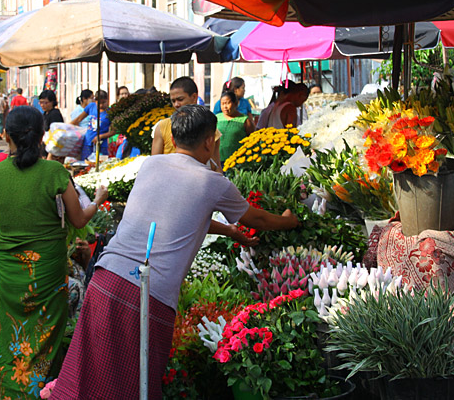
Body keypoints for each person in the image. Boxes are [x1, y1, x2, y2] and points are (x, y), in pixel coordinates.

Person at [50, 105, 299, 399]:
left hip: (106, 277)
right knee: (135, 380)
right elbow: (255, 219)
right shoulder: (213, 182)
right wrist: (288, 221)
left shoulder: (151, 165)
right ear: (209, 140)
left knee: (88, 373)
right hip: (145, 292)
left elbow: (177, 216)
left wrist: (228, 231)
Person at [0, 106, 108, 399]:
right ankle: (47, 391)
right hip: (47, 269)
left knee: (11, 334)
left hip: (9, 271)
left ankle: (11, 392)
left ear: (6, 135)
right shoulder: (54, 172)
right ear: (41, 137)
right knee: (47, 334)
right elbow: (79, 220)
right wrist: (98, 200)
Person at [152, 76, 222, 170]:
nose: (176, 104)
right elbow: (155, 164)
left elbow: (216, 165)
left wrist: (221, 183)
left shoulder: (209, 128)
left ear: (194, 97)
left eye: (180, 99)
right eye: (173, 101)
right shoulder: (162, 126)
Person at [70, 90, 112, 160]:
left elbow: (113, 131)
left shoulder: (110, 112)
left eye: (103, 102)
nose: (101, 105)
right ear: (95, 101)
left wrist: (100, 136)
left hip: (101, 145)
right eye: (99, 103)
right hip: (88, 143)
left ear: (107, 100)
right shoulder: (91, 107)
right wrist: (65, 127)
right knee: (86, 164)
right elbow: (79, 119)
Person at [216, 90, 255, 162]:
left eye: (228, 103)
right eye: (222, 104)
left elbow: (252, 140)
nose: (225, 106)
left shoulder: (244, 120)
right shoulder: (217, 118)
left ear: (236, 104)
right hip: (218, 160)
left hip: (237, 162)